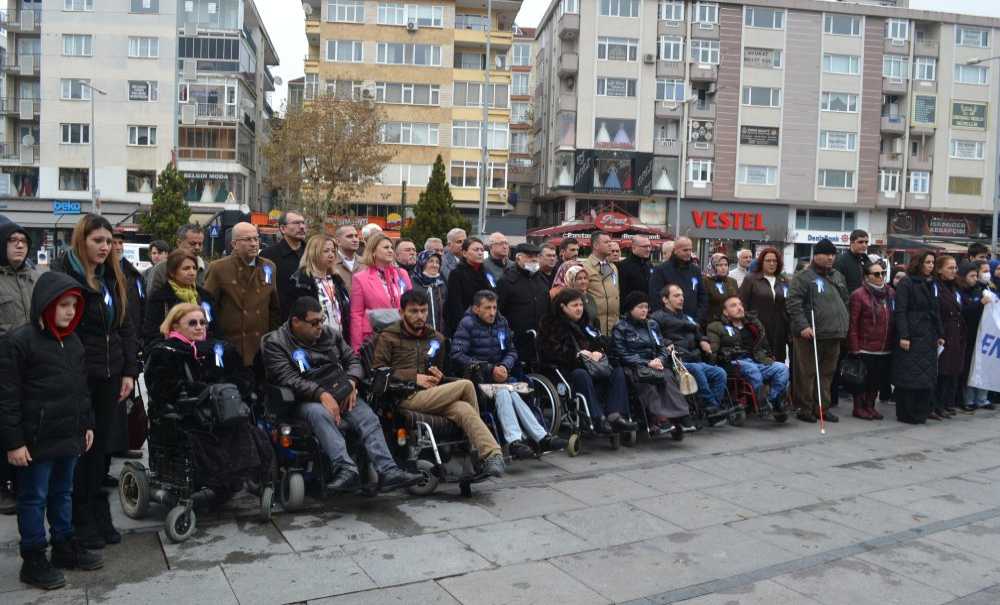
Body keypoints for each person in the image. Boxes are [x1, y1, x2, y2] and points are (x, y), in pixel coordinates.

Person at [0, 272, 103, 589]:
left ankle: (63, 545)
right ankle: (33, 557)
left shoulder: (72, 341)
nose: (70, 311)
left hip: (69, 435)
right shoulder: (19, 342)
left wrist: (86, 424)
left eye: (74, 305)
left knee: (63, 492)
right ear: (46, 304)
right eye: (63, 305)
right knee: (34, 498)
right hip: (36, 439)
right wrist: (14, 442)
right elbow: (7, 397)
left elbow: (81, 388)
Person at [262, 297, 422, 492]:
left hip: (338, 388)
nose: (320, 326)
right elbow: (287, 378)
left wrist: (351, 382)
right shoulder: (276, 342)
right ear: (296, 322)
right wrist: (321, 394)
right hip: (302, 397)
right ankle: (345, 468)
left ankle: (388, 470)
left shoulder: (330, 334)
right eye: (314, 323)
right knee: (319, 413)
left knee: (367, 417)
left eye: (321, 320)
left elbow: (353, 360)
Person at [50, 214, 138, 550]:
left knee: (103, 449)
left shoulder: (113, 276)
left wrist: (129, 370)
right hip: (78, 373)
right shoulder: (63, 274)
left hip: (111, 374)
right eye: (97, 241)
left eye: (108, 241)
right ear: (81, 241)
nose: (104, 247)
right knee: (82, 449)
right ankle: (79, 516)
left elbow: (125, 326)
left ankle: (98, 508)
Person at [144, 303, 274, 503]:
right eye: (193, 323)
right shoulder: (164, 352)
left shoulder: (219, 348)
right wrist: (202, 392)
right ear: (176, 326)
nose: (199, 327)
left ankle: (243, 480)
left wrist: (231, 390)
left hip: (220, 415)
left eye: (202, 322)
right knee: (201, 437)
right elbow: (162, 390)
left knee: (245, 429)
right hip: (186, 416)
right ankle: (215, 482)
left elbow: (243, 376)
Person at [373, 290, 505, 477]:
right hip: (403, 396)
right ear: (401, 313)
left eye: (424, 311)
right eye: (414, 311)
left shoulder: (436, 338)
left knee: (463, 409)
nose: (420, 316)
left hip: (433, 394)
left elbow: (443, 373)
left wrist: (440, 377)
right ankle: (473, 453)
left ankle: (492, 455)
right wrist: (414, 377)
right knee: (466, 385)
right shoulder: (388, 337)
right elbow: (378, 372)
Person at [451, 291, 566, 458]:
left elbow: (511, 350)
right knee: (505, 391)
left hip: (502, 377)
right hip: (477, 380)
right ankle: (521, 440)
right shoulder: (467, 324)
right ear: (476, 309)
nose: (492, 312)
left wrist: (505, 366)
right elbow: (457, 355)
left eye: (494, 308)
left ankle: (535, 438)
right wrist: (490, 369)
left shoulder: (501, 322)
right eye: (487, 308)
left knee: (511, 390)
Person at [539, 289, 633, 434]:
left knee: (618, 372)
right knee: (580, 374)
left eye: (581, 305)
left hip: (593, 366)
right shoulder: (550, 325)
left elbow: (599, 342)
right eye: (575, 305)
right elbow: (550, 352)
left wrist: (599, 352)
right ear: (563, 307)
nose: (579, 309)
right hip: (567, 369)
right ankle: (597, 418)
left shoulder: (587, 324)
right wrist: (577, 355)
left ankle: (616, 415)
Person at [0, 222, 39, 513]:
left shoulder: (35, 278)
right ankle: (4, 486)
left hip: (32, 363)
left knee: (26, 421)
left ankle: (23, 480)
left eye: (23, 240)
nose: (18, 245)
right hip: (4, 361)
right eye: (12, 240)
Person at [787, 239, 849, 423]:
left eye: (833, 254)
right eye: (826, 254)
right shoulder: (804, 277)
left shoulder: (837, 275)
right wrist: (803, 326)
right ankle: (805, 408)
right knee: (807, 373)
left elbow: (845, 300)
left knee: (827, 374)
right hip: (811, 334)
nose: (830, 258)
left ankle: (822, 407)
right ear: (816, 256)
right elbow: (793, 303)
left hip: (834, 333)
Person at [613, 292, 693, 434]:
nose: (644, 310)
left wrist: (660, 359)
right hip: (635, 366)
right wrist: (647, 362)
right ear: (630, 309)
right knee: (647, 380)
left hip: (655, 363)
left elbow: (661, 347)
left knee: (668, 377)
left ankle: (681, 415)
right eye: (640, 307)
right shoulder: (621, 327)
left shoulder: (652, 325)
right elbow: (622, 354)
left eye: (646, 307)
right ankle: (659, 418)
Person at [203, 222, 281, 367]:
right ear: (234, 244)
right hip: (232, 346)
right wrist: (215, 339)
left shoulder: (268, 267)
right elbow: (207, 306)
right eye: (247, 240)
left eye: (256, 239)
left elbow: (274, 307)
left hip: (260, 346)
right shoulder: (219, 268)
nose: (253, 244)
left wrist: (272, 338)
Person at [652, 284, 728, 415]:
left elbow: (698, 331)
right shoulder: (657, 317)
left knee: (720, 372)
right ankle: (711, 406)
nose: (681, 299)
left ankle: (712, 407)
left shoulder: (687, 317)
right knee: (697, 369)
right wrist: (667, 343)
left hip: (695, 358)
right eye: (676, 296)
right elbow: (654, 337)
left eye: (682, 295)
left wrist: (704, 340)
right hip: (677, 361)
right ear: (665, 299)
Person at [707, 296, 790, 415]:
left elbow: (764, 343)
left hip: (757, 360)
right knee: (752, 369)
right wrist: (713, 364)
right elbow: (714, 350)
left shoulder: (753, 324)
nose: (739, 308)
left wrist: (769, 356)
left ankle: (771, 400)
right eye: (733, 305)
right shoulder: (716, 326)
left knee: (782, 368)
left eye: (740, 304)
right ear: (725, 311)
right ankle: (761, 402)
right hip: (733, 361)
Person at [892, 252, 943, 424]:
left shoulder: (933, 283)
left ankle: (922, 411)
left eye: (932, 262)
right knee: (909, 374)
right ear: (919, 263)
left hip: (928, 334)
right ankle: (907, 412)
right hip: (912, 334)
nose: (930, 265)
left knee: (925, 375)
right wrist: (904, 335)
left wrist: (940, 333)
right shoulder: (907, 282)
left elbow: (936, 310)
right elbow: (900, 311)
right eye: (927, 262)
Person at [349, 233, 412, 352]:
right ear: (373, 252)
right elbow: (356, 314)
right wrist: (357, 349)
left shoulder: (402, 274)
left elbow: (412, 305)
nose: (390, 251)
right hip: (375, 338)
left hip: (402, 336)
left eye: (391, 248)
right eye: (385, 247)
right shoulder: (360, 278)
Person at [847, 262, 893, 420]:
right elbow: (853, 323)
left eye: (883, 273)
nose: (881, 277)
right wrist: (854, 348)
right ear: (867, 277)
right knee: (862, 379)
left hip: (884, 346)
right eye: (876, 274)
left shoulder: (890, 293)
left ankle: (870, 406)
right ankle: (858, 407)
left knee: (876, 379)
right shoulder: (858, 295)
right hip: (865, 346)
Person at [142, 249, 219, 344]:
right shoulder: (160, 298)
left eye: (194, 268)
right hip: (172, 353)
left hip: (203, 352)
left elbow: (215, 329)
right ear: (172, 272)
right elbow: (151, 332)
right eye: (186, 268)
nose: (192, 272)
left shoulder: (205, 297)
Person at [287, 235, 351, 342]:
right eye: (326, 251)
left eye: (333, 251)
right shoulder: (301, 280)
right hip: (313, 340)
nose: (331, 255)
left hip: (339, 338)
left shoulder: (336, 279)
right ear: (314, 253)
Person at [497, 243, 550, 361]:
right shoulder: (507, 281)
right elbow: (499, 312)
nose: (534, 259)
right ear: (518, 257)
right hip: (516, 340)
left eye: (536, 255)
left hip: (539, 340)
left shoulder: (542, 279)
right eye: (530, 256)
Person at [738, 247, 790, 363]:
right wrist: (749, 323)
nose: (772, 263)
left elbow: (788, 304)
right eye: (768, 261)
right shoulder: (751, 279)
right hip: (757, 329)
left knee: (778, 363)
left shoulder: (783, 280)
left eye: (775, 261)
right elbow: (741, 304)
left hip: (779, 330)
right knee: (761, 363)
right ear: (761, 262)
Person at [933, 255, 965, 420]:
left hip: (955, 332)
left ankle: (946, 403)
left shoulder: (954, 287)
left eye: (955, 268)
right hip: (944, 332)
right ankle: (936, 405)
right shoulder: (936, 287)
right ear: (939, 269)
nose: (954, 271)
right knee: (942, 370)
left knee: (951, 370)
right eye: (950, 268)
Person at [261, 211, 308, 320]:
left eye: (303, 223)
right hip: (281, 320)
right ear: (283, 229)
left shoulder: (312, 253)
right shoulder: (269, 255)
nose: (301, 227)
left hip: (310, 321)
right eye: (296, 223)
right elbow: (265, 289)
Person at [648, 236, 707, 321]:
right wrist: (665, 319)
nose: (688, 253)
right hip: (669, 323)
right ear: (675, 250)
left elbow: (702, 296)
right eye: (685, 250)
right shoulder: (661, 270)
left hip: (692, 322)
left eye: (690, 250)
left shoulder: (695, 270)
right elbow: (655, 298)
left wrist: (698, 319)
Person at [960, 261, 993, 411]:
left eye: (976, 275)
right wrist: (980, 304)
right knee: (969, 368)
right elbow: (964, 311)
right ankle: (968, 399)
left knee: (982, 366)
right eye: (972, 275)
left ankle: (982, 398)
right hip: (969, 335)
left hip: (983, 334)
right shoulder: (961, 291)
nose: (975, 278)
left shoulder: (981, 289)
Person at [445, 238, 493, 336]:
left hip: (487, 324)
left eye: (482, 250)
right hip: (467, 327)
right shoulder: (457, 274)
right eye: (476, 250)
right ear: (465, 253)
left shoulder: (487, 272)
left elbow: (494, 295)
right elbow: (455, 305)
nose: (480, 253)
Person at [147, 224, 206, 296]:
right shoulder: (161, 269)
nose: (197, 247)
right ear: (179, 243)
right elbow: (152, 300)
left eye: (200, 244)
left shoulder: (208, 268)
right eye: (192, 243)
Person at [580, 232, 620, 336]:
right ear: (596, 245)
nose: (610, 245)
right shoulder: (585, 267)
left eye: (610, 242)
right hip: (594, 326)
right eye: (606, 242)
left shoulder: (613, 267)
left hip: (613, 326)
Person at [111, 234, 147, 348]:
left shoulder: (134, 275)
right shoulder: (100, 275)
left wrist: (141, 336)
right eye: (114, 243)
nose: (118, 247)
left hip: (133, 337)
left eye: (120, 243)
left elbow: (143, 305)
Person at [550, 263, 599, 328]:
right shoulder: (563, 298)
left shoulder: (590, 297)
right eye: (579, 279)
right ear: (571, 280)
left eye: (585, 278)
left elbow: (594, 318)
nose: (583, 281)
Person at [410, 250, 447, 333]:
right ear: (422, 263)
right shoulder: (412, 283)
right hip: (418, 332)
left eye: (437, 262)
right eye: (430, 261)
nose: (435, 265)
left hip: (440, 333)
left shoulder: (441, 284)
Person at [834, 230, 871, 295]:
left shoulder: (865, 260)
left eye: (866, 242)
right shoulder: (841, 260)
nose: (864, 245)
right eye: (860, 242)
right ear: (852, 242)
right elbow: (837, 287)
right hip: (848, 302)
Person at [704, 253, 738, 323]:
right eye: (719, 265)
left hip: (730, 320)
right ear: (713, 266)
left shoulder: (732, 281)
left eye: (726, 265)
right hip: (713, 321)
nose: (723, 268)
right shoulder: (706, 281)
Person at [618, 236, 654, 302]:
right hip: (631, 309)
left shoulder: (649, 265)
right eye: (645, 246)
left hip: (649, 307)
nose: (648, 249)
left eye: (649, 246)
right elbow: (621, 292)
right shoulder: (623, 266)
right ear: (634, 247)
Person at [332, 225, 363, 294]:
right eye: (349, 236)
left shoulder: (365, 263)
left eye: (356, 236)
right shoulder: (330, 263)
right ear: (338, 241)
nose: (355, 240)